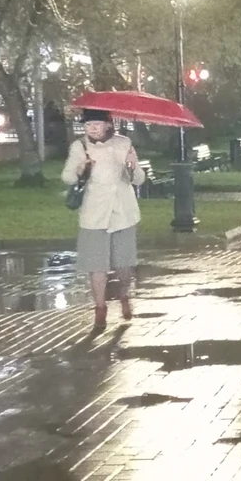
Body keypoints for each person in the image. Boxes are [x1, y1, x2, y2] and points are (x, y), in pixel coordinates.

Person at [62, 109, 145, 334]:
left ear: (108, 125)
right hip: (94, 213)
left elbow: (139, 179)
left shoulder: (124, 143)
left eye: (97, 124)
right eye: (88, 124)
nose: (92, 128)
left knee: (124, 265)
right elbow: (67, 177)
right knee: (96, 265)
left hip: (123, 212)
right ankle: (100, 309)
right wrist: (80, 170)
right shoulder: (80, 147)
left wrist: (132, 165)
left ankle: (124, 295)